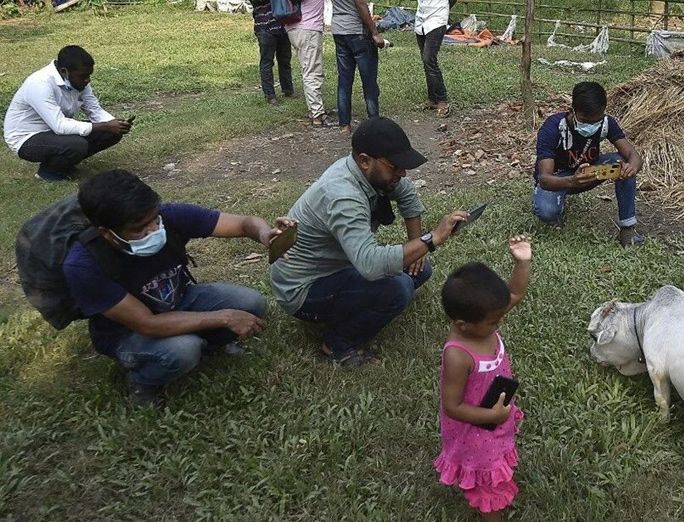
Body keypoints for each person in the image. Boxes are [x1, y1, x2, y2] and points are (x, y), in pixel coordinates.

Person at [63, 170, 296, 407]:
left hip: (178, 299)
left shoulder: (170, 217)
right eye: (139, 229)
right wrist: (225, 317)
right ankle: (142, 380)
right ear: (107, 233)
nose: (153, 230)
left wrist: (265, 234)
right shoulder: (84, 265)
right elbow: (148, 324)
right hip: (128, 333)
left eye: (154, 219)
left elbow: (243, 224)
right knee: (183, 349)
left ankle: (210, 345)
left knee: (251, 302)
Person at [270, 117, 467, 366]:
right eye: (395, 166)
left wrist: (416, 242)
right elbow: (370, 265)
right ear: (365, 160)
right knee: (398, 288)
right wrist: (431, 239)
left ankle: (351, 307)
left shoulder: (367, 173)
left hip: (338, 269)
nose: (402, 173)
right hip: (303, 289)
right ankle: (337, 345)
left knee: (420, 268)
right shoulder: (343, 196)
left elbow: (407, 193)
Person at [434, 236, 531, 522]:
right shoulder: (458, 355)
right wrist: (492, 415)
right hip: (475, 431)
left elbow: (514, 294)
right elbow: (452, 406)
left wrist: (522, 263)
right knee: (488, 486)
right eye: (494, 322)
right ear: (462, 325)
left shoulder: (482, 321)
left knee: (495, 462)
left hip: (494, 415)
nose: (499, 323)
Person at [532, 81, 644, 246]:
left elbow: (633, 155)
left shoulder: (606, 123)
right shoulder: (553, 128)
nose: (591, 126)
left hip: (589, 173)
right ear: (572, 111)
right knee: (548, 212)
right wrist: (572, 181)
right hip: (558, 179)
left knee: (623, 163)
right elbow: (544, 179)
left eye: (596, 121)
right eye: (585, 121)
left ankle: (627, 228)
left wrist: (632, 168)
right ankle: (557, 204)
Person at [3, 45, 132, 182]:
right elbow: (59, 125)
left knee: (111, 133)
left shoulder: (77, 80)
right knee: (77, 145)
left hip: (53, 132)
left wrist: (115, 124)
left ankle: (64, 164)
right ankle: (49, 172)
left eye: (89, 75)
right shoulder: (39, 84)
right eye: (83, 76)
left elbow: (94, 109)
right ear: (64, 71)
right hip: (26, 138)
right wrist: (105, 126)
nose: (87, 80)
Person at [331, 0, 386, 133]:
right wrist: (374, 32)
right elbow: (360, 4)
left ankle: (344, 125)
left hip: (339, 29)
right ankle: (374, 121)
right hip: (357, 31)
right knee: (369, 81)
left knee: (344, 81)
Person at [285, 0, 334, 126]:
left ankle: (314, 110)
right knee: (312, 72)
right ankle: (317, 113)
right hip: (308, 28)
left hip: (295, 27)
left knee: (309, 69)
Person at [251, 0, 294, 105]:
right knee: (267, 62)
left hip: (282, 25)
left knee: (285, 60)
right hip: (265, 27)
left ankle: (288, 89)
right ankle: (270, 95)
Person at [415, 0, 450, 118]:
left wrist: (443, 6)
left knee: (429, 59)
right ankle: (433, 99)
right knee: (426, 61)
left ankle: (442, 100)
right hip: (421, 19)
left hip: (437, 18)